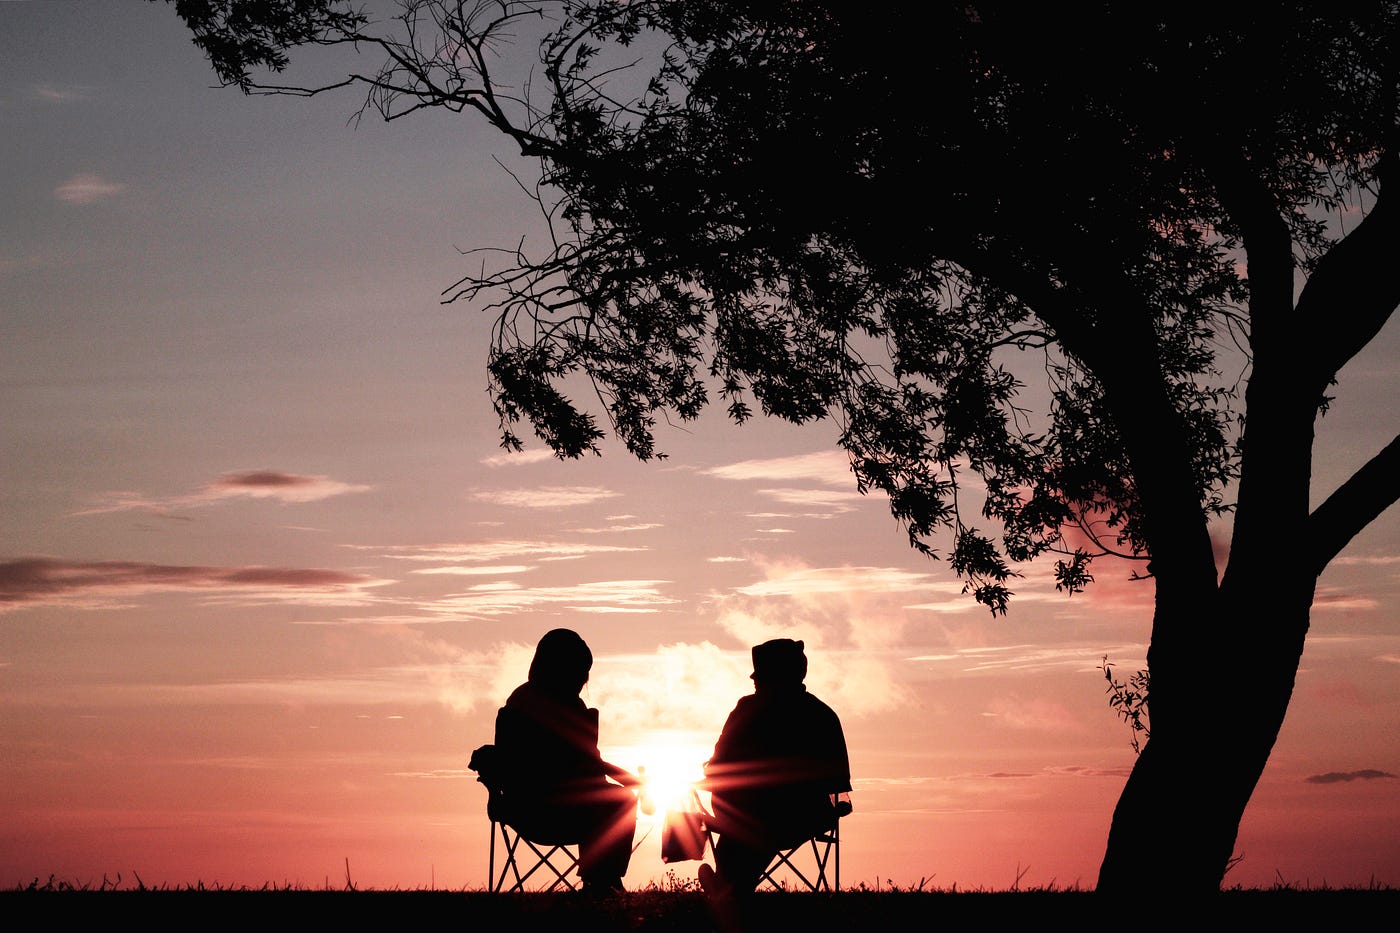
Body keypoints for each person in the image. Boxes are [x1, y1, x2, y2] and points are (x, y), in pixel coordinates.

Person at [490, 628, 640, 894]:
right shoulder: (559, 708)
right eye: (581, 671)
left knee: (614, 799)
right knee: (622, 801)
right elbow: (587, 765)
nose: (584, 679)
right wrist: (632, 783)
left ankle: (602, 879)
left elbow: (591, 764)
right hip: (555, 810)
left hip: (521, 808)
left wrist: (627, 779)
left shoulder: (520, 701)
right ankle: (602, 880)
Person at [699, 638, 852, 898]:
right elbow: (839, 784)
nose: (754, 682)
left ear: (772, 677)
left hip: (753, 816)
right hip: (804, 817)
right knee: (755, 823)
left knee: (750, 823)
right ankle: (729, 886)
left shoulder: (746, 710)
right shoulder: (822, 715)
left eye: (759, 677)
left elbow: (716, 767)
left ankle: (729, 887)